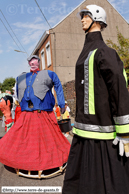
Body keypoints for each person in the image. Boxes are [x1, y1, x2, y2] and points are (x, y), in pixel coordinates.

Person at [62, 5, 129, 194]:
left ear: (97, 19)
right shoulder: (86, 53)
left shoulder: (105, 53)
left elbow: (119, 91)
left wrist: (124, 133)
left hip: (103, 139)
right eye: (82, 16)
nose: (82, 20)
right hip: (83, 136)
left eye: (85, 16)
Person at [0, 55, 70, 178]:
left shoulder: (49, 74)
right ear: (28, 63)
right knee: (23, 140)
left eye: (35, 61)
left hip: (44, 114)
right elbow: (17, 95)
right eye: (30, 62)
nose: (32, 63)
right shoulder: (20, 78)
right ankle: (23, 162)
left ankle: (51, 162)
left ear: (38, 62)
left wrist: (61, 103)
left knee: (49, 141)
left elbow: (58, 86)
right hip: (26, 115)